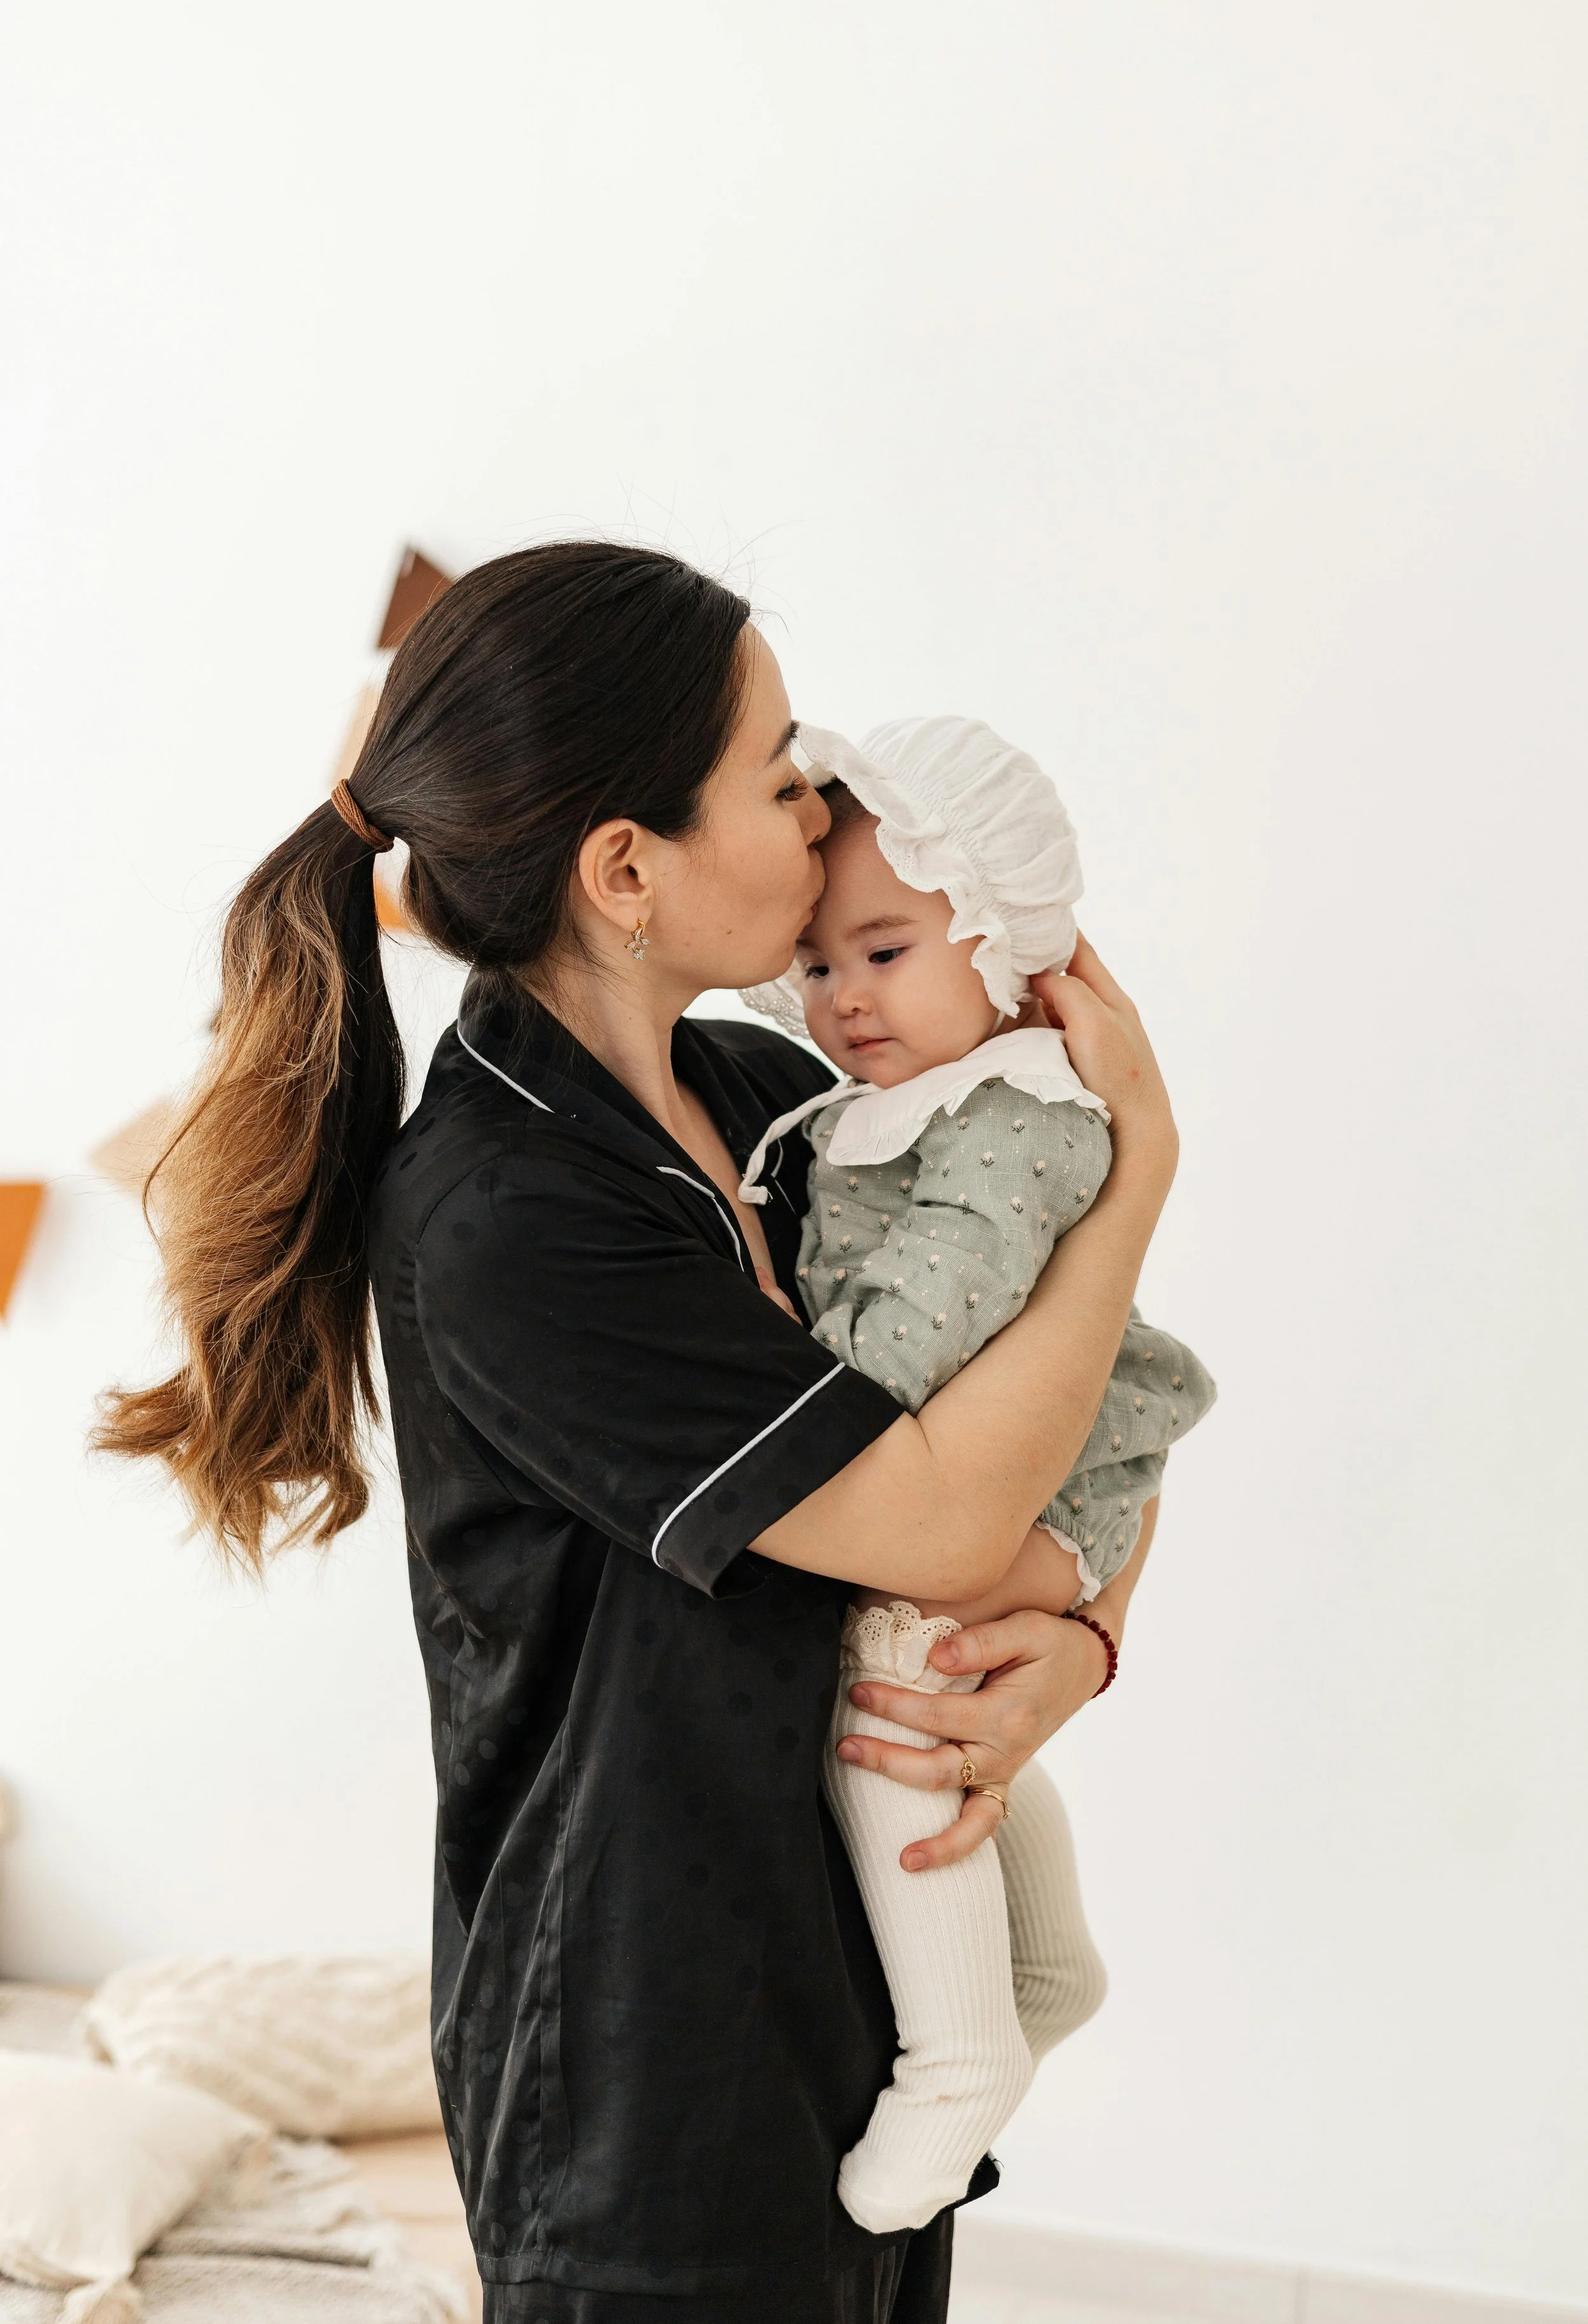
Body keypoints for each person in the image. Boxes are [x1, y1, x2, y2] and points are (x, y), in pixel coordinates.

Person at [97, 542, 1181, 2324]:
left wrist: (1075, 1640)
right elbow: (933, 1513)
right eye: (774, 775)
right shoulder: (506, 1210)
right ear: (626, 870)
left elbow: (1087, 1404)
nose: (816, 802)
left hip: (867, 1977)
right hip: (648, 2058)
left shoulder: (772, 1101)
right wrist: (1135, 1169)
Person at [732, 720, 1216, 2231]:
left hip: (1047, 1489)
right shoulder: (883, 1107)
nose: (842, 998)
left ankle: (957, 2052)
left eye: (882, 950)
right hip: (1054, 1497)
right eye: (818, 966)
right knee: (951, 1674)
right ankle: (1041, 1973)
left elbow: (920, 1332)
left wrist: (773, 1342)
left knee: (888, 1660)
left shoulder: (1011, 1112)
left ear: (1002, 940)